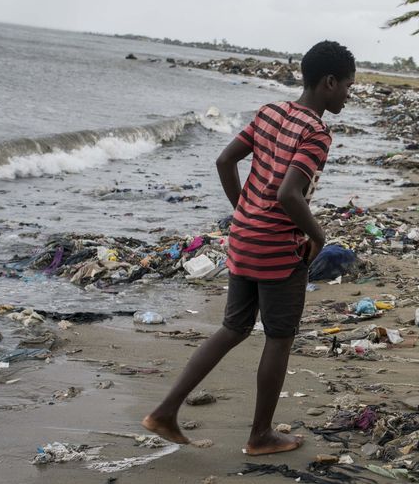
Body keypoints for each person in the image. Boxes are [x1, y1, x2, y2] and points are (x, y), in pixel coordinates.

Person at [142, 40, 355, 455]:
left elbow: (225, 161)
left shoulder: (270, 111)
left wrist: (243, 209)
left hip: (243, 238)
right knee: (279, 337)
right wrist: (318, 237)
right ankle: (260, 435)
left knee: (233, 328)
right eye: (348, 85)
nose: (349, 93)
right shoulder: (316, 132)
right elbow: (290, 195)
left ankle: (165, 412)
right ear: (329, 82)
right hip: (278, 248)